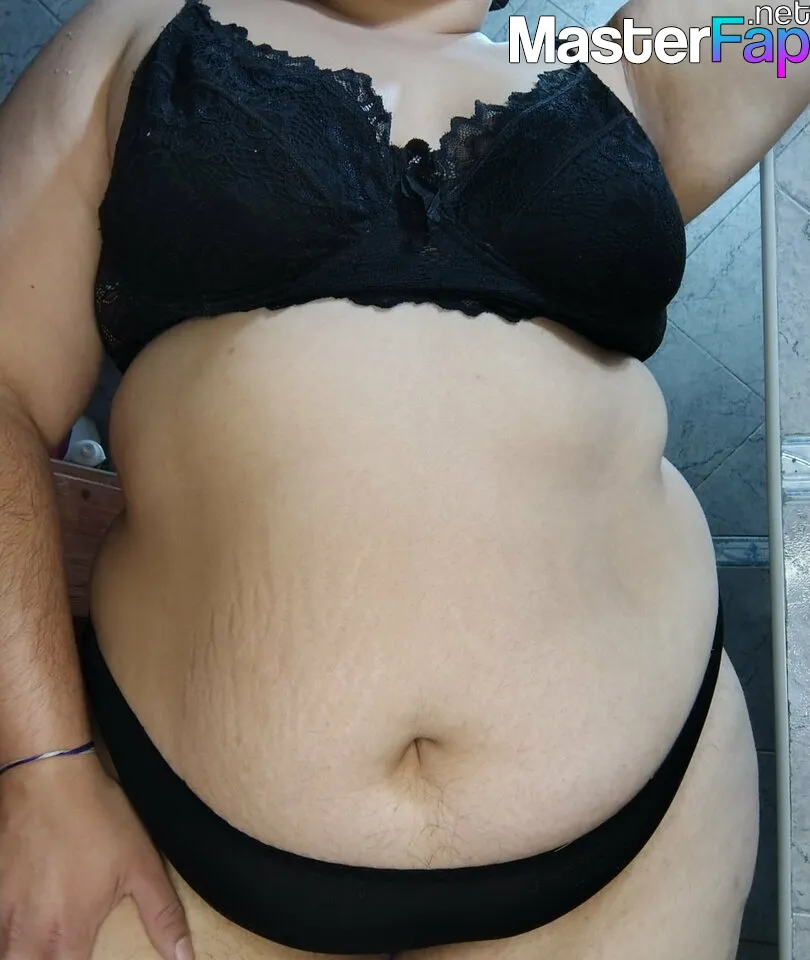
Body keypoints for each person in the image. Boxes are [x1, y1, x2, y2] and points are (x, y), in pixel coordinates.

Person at [0, 0, 803, 958]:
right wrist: (41, 770)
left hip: (639, 847)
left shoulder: (636, 74)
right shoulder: (139, 34)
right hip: (170, 840)